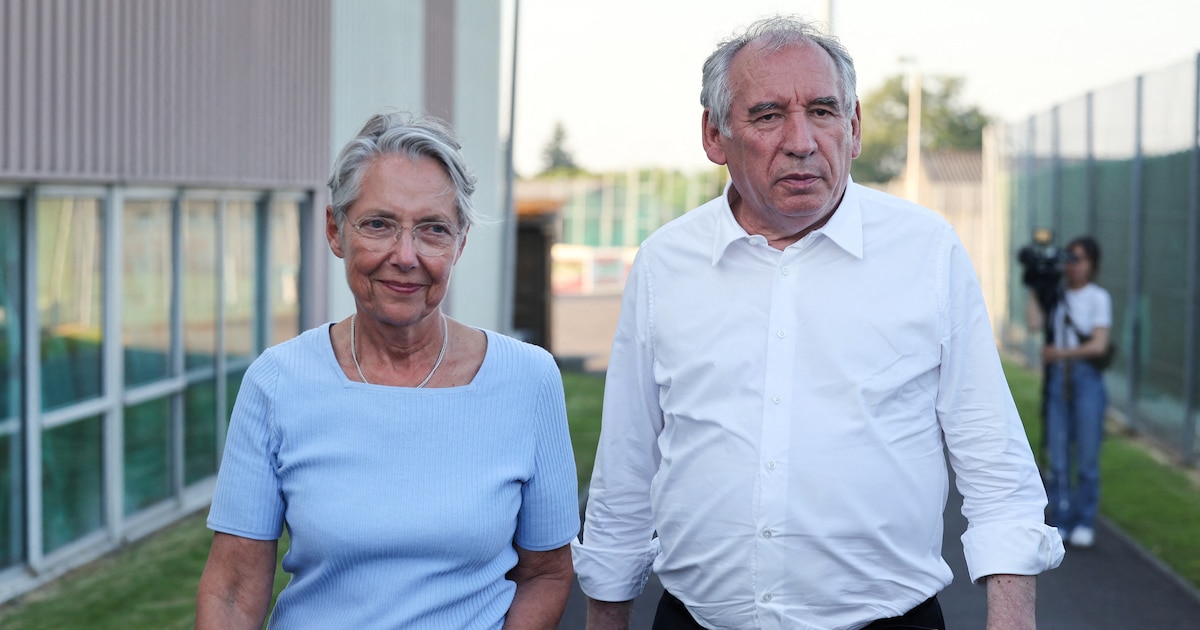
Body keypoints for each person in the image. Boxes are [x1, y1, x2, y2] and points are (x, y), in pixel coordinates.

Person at [572, 15, 1064, 630]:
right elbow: (626, 461)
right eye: (769, 114)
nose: (802, 140)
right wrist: (604, 615)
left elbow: (993, 458)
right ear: (715, 134)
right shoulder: (665, 264)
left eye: (824, 112)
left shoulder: (926, 251)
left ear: (854, 127)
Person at [195, 112, 580, 629]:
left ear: (460, 243)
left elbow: (547, 573)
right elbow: (234, 589)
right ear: (336, 230)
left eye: (433, 230)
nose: (405, 256)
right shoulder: (278, 382)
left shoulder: (528, 380)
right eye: (379, 224)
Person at [1038, 236, 1112, 549]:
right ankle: (1062, 517)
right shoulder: (1056, 295)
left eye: (1079, 258)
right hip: (1057, 380)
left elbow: (1100, 344)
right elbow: (1032, 321)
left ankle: (1084, 520)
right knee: (1057, 454)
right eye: (1069, 258)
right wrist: (1035, 282)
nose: (1072, 265)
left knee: (1086, 457)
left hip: (1086, 379)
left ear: (1092, 264)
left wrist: (1062, 355)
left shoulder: (1098, 297)